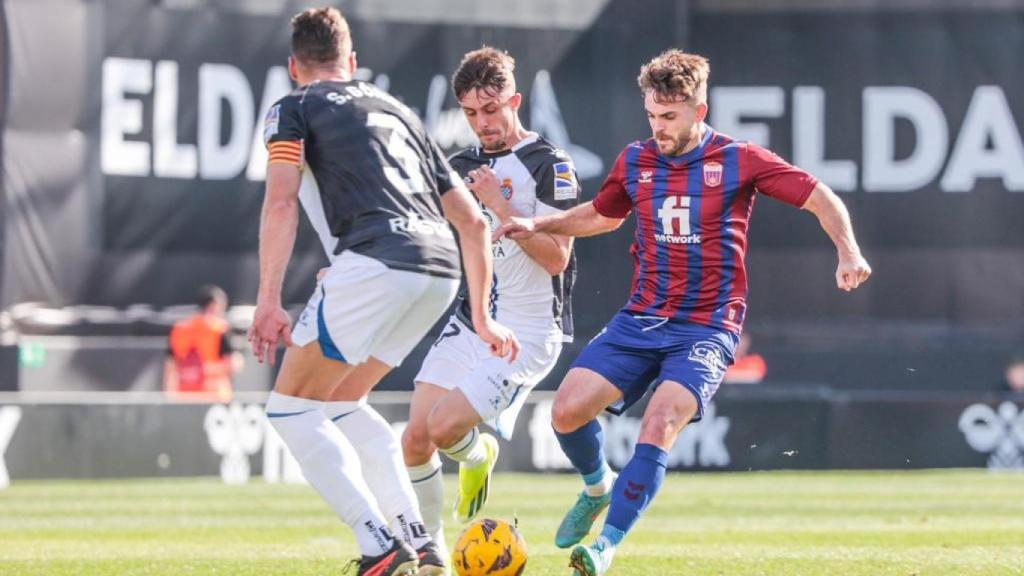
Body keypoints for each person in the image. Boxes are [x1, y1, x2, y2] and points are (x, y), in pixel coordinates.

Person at [495, 49, 872, 575]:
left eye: (669, 117)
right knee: (566, 412)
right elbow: (603, 217)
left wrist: (849, 251)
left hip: (707, 325)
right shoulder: (636, 159)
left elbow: (819, 196)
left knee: (660, 420)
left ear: (700, 110)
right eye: (652, 115)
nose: (659, 127)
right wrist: (540, 225)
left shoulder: (739, 159)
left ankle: (604, 547)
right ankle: (596, 487)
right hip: (642, 316)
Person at [247, 8, 518, 576]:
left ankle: (378, 545)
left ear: (295, 66)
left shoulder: (291, 107)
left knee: (291, 410)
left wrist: (268, 300)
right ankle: (422, 544)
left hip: (374, 262)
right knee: (343, 402)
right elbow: (473, 222)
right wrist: (484, 318)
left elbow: (279, 201)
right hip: (439, 271)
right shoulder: (399, 110)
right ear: (352, 62)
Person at [399, 46, 580, 566]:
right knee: (414, 439)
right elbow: (419, 232)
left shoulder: (551, 165)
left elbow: (555, 260)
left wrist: (501, 204)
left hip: (528, 331)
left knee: (441, 429)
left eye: (492, 109)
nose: (483, 123)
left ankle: (479, 454)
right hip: (471, 318)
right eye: (472, 113)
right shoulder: (459, 166)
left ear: (514, 101)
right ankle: (429, 553)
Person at [164, 284, 242, 402]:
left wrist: (170, 396)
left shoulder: (180, 329)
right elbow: (233, 364)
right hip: (214, 397)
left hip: (184, 396)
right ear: (214, 306)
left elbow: (170, 366)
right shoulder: (219, 329)